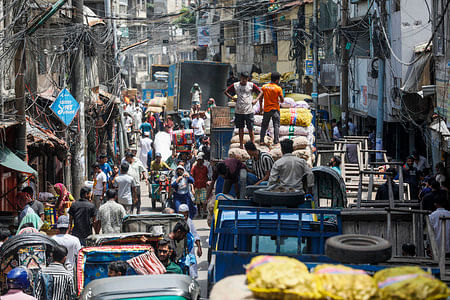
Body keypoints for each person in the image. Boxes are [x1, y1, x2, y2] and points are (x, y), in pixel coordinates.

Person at [225, 72, 263, 149]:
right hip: (239, 110)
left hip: (249, 110)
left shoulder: (251, 85)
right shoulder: (236, 85)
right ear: (240, 78)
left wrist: (256, 100)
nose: (244, 80)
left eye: (245, 79)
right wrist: (232, 98)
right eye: (242, 79)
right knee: (240, 128)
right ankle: (241, 144)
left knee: (250, 128)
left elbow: (261, 92)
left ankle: (252, 144)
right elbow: (225, 92)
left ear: (248, 79)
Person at [257, 71, 284, 145]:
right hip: (275, 109)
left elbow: (260, 98)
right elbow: (282, 100)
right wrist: (279, 100)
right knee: (276, 125)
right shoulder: (278, 88)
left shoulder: (264, 87)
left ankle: (262, 140)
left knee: (264, 126)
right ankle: (276, 141)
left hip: (266, 109)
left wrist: (261, 107)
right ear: (277, 80)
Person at [178, 204, 201, 278]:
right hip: (180, 250)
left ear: (187, 213)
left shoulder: (189, 221)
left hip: (189, 250)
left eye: (185, 214)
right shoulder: (177, 222)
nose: (184, 216)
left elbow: (195, 235)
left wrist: (199, 248)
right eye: (182, 214)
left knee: (192, 269)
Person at [191, 153, 209, 218]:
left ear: (203, 161)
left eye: (201, 160)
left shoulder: (205, 168)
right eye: (198, 160)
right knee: (197, 201)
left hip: (203, 186)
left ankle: (204, 212)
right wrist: (192, 187)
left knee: (203, 200)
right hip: (196, 186)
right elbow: (192, 177)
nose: (199, 161)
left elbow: (206, 176)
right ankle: (199, 213)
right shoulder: (194, 168)